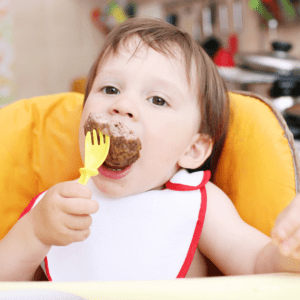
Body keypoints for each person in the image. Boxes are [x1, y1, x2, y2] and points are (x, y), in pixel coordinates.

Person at [1, 17, 300, 281]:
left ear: (193, 150)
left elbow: (260, 263)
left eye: (158, 100)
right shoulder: (57, 205)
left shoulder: (199, 204)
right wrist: (35, 233)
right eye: (110, 89)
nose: (122, 106)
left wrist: (291, 251)